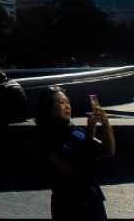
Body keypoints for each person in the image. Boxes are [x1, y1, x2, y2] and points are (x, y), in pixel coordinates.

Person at [35, 86, 115, 219]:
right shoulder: (47, 137)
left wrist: (105, 125)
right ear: (47, 107)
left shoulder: (75, 130)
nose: (67, 106)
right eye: (61, 103)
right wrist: (89, 137)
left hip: (92, 196)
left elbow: (107, 150)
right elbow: (69, 169)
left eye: (67, 102)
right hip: (69, 204)